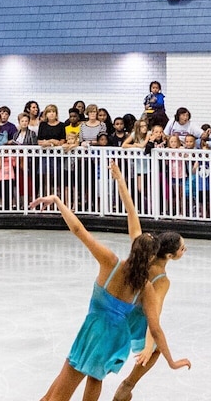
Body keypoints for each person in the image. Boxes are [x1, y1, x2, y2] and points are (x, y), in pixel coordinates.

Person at [32, 163, 190, 401]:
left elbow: (79, 230)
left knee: (55, 397)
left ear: (134, 246)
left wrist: (57, 200)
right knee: (94, 378)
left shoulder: (110, 263)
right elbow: (156, 328)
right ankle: (126, 385)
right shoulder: (145, 287)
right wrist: (172, 361)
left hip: (92, 331)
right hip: (115, 339)